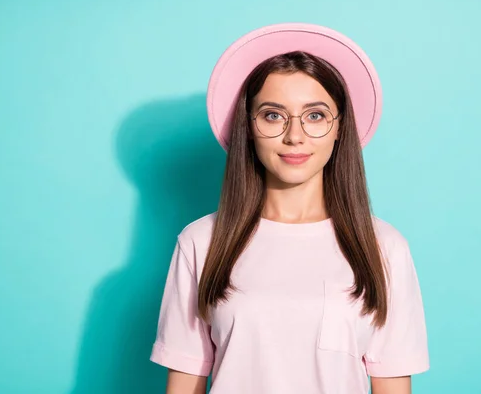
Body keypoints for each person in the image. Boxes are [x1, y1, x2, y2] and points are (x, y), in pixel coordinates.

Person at [149, 23, 430, 394]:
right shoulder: (201, 241)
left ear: (338, 127)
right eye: (273, 115)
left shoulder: (384, 247)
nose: (294, 135)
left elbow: (392, 385)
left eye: (315, 116)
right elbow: (184, 384)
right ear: (247, 127)